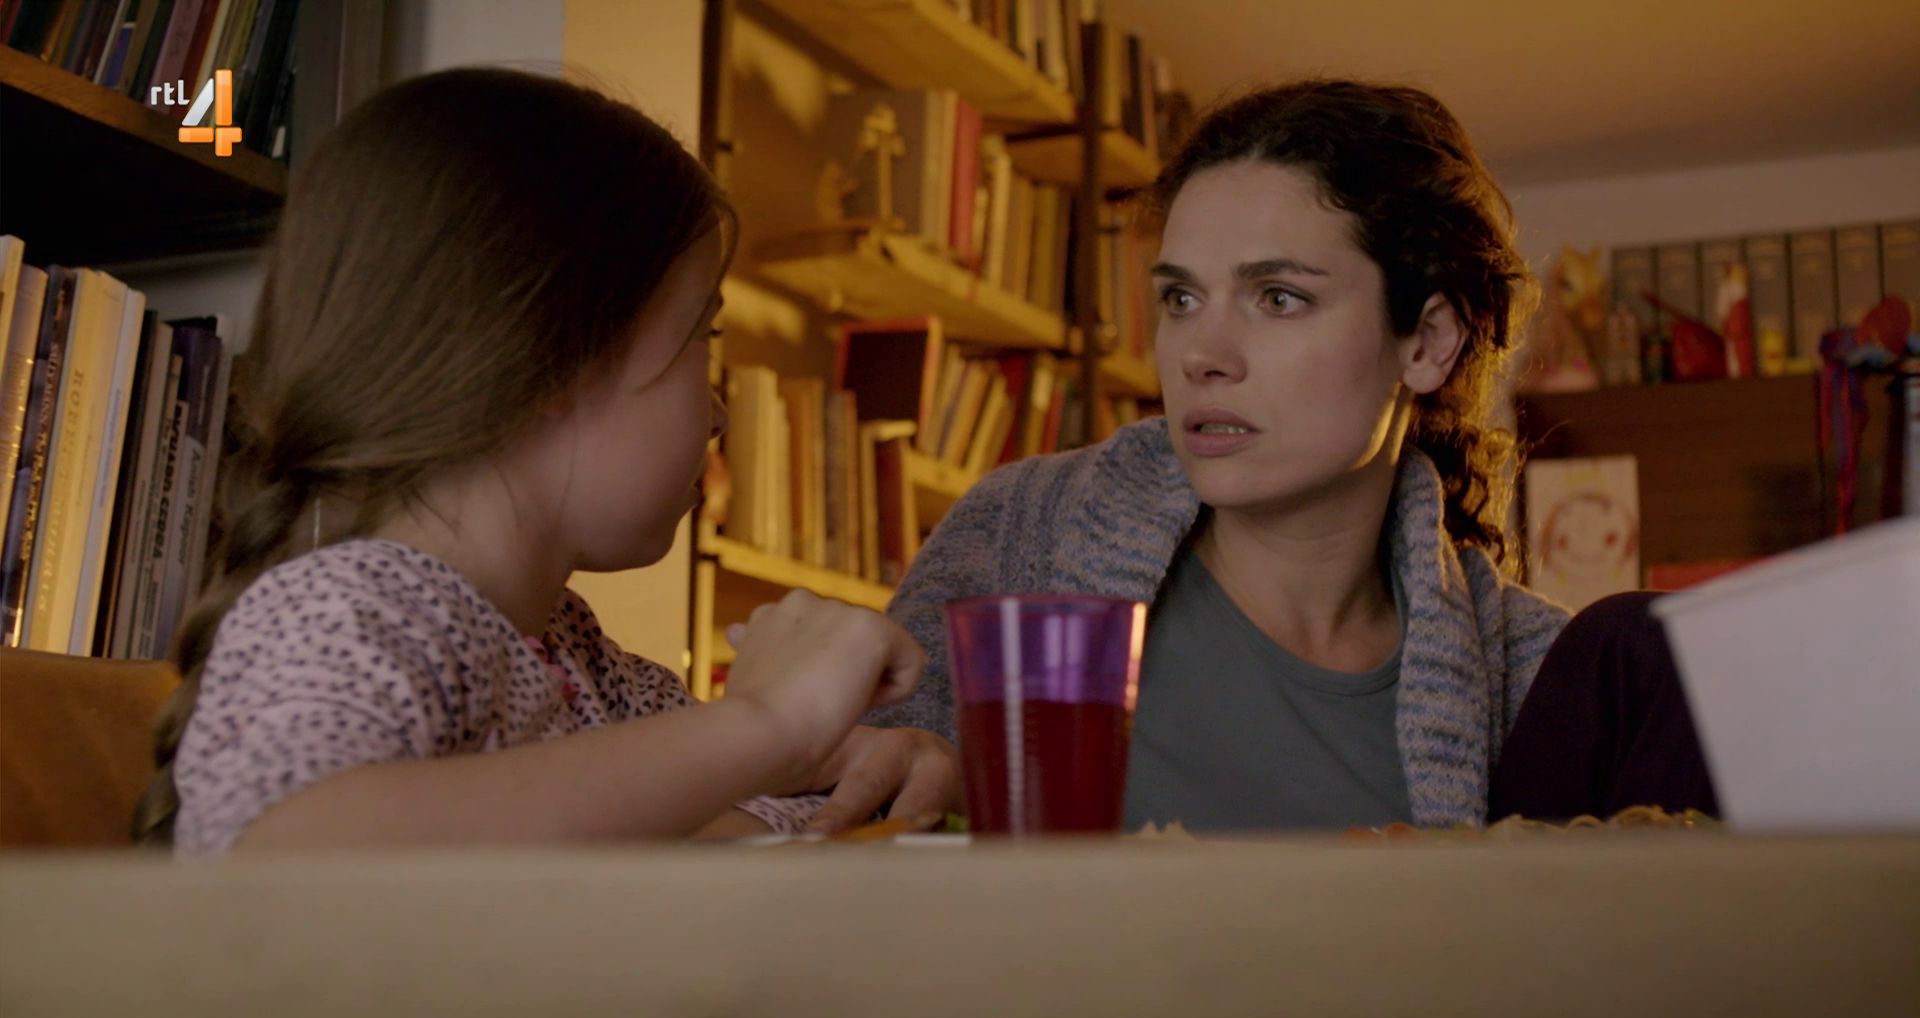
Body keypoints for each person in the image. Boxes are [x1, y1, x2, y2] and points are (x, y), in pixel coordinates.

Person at [136, 68, 960, 856]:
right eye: (702, 337)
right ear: (553, 362)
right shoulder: (350, 613)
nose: (717, 413)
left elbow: (653, 835)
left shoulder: (581, 660)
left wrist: (853, 778)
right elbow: (291, 856)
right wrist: (768, 725)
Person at [872, 80, 1716, 830]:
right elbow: (827, 832)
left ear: (1428, 342)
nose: (1202, 355)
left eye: (1278, 298)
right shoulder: (1019, 535)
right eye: (1181, 297)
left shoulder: (1535, 677)